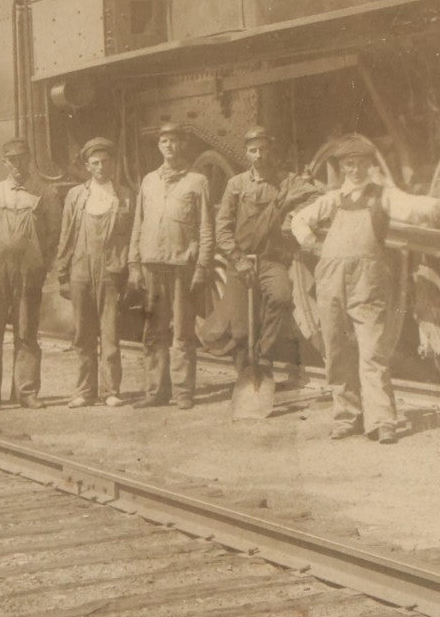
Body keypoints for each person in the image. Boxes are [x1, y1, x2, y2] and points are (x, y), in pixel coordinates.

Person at [289, 135, 440, 444]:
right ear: (342, 168)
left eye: (361, 163)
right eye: (349, 164)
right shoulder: (332, 200)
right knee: (335, 351)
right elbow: (299, 221)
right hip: (331, 284)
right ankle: (345, 416)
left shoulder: (383, 197)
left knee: (373, 352)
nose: (355, 169)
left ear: (369, 165)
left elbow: (414, 208)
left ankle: (381, 420)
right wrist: (314, 245)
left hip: (368, 284)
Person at [214, 126, 320, 382]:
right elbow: (222, 228)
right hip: (241, 261)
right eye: (253, 150)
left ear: (269, 150)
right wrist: (238, 260)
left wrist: (294, 216)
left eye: (262, 149)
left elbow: (315, 195)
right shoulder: (236, 185)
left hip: (271, 261)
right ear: (246, 153)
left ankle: (264, 355)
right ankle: (246, 379)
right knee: (239, 331)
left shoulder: (285, 180)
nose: (259, 154)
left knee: (283, 297)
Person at [0, 139, 60, 413]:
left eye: (22, 158)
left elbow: (55, 233)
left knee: (27, 332)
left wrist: (44, 263)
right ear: (5, 162)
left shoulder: (45, 192)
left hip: (29, 271)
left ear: (30, 159)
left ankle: (26, 392)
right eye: (12, 160)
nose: (18, 165)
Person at [126, 123, 214, 410]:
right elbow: (137, 224)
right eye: (164, 141)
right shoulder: (149, 181)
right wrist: (134, 264)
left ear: (182, 145)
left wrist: (202, 265)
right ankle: (155, 390)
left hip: (181, 266)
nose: (169, 146)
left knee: (182, 331)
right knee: (153, 331)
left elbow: (205, 227)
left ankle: (183, 391)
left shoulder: (197, 181)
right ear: (159, 146)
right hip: (152, 265)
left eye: (174, 141)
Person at [53, 137, 133, 409]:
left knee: (109, 334)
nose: (101, 167)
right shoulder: (76, 196)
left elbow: (131, 236)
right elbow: (66, 235)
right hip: (80, 271)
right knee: (83, 335)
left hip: (110, 271)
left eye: (105, 162)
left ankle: (111, 390)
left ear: (112, 164)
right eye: (95, 163)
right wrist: (62, 272)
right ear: (87, 166)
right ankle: (84, 391)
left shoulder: (124, 194)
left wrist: (128, 268)